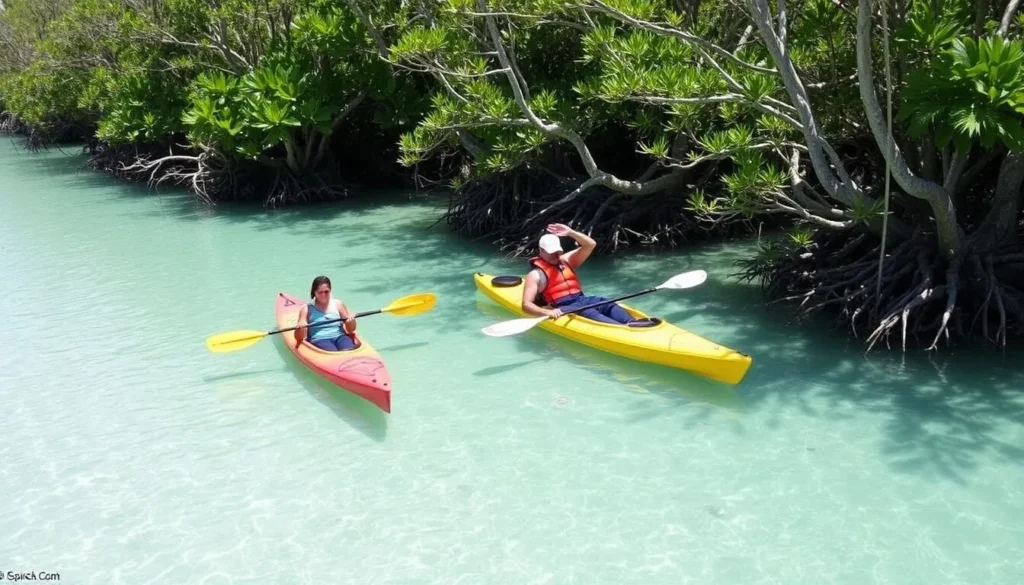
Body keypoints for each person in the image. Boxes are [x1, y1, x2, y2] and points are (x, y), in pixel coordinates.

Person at [521, 223, 635, 325]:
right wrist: (547, 312)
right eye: (552, 252)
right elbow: (526, 305)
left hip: (582, 299)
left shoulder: (567, 260)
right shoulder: (535, 275)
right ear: (541, 251)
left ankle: (633, 323)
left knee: (607, 303)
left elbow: (590, 244)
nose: (556, 255)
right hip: (564, 306)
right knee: (590, 312)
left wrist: (571, 232)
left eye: (558, 251)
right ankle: (621, 329)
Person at [295, 276, 359, 351]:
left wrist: (351, 321)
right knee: (332, 351)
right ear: (314, 292)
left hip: (340, 337)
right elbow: (298, 337)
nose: (323, 295)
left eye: (326, 292)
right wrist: (301, 326)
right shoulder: (306, 308)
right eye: (320, 292)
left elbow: (351, 329)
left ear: (330, 290)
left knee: (348, 349)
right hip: (319, 339)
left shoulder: (338, 304)